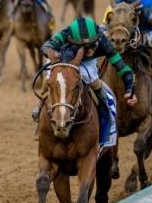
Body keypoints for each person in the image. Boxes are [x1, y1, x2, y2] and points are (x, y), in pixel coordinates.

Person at [39, 17, 137, 147]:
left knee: (93, 81)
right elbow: (46, 46)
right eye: (83, 46)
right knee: (50, 80)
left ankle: (107, 113)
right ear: (71, 39)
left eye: (92, 44)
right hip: (62, 57)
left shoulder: (103, 40)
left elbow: (124, 69)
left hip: (86, 63)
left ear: (98, 37)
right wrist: (56, 56)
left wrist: (130, 90)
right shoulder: (66, 33)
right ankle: (39, 109)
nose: (89, 49)